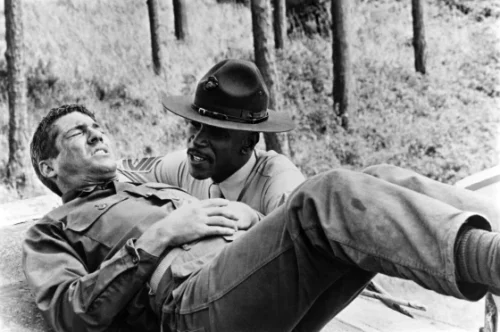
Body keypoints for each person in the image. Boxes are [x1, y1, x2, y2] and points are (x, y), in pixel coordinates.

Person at [23, 104, 500, 332]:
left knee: (379, 175)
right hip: (191, 309)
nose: (96, 133)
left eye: (97, 126)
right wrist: (162, 235)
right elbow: (70, 314)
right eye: (78, 133)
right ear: (48, 166)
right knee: (327, 194)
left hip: (245, 285)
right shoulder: (51, 229)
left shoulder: (145, 182)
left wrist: (251, 216)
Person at [117, 59, 305, 217]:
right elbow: (116, 172)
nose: (197, 140)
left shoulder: (280, 183)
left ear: (248, 143)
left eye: (216, 131)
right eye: (195, 124)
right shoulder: (186, 164)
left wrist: (254, 221)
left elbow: (299, 247)